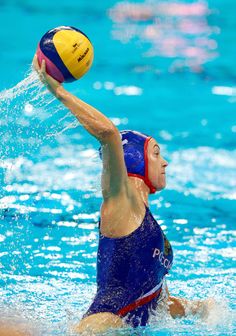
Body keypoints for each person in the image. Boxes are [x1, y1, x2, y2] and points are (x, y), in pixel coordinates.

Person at [33, 56, 215, 335]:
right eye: (156, 153)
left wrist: (199, 308)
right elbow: (108, 134)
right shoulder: (119, 202)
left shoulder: (146, 220)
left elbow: (155, 300)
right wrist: (58, 91)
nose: (165, 162)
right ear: (135, 162)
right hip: (103, 326)